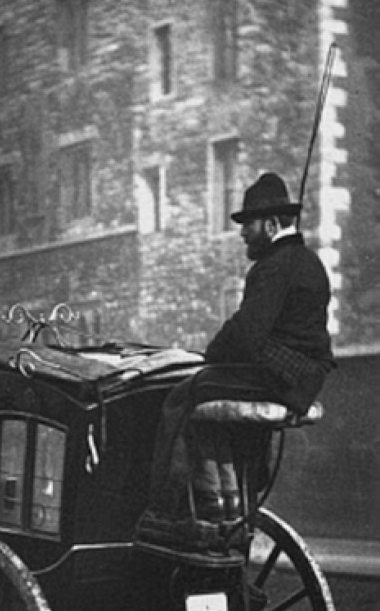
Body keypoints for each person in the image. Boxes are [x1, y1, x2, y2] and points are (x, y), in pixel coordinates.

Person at [137, 172, 334, 546]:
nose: (243, 233)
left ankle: (169, 511)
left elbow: (247, 333)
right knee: (209, 398)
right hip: (302, 377)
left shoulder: (274, 266)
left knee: (183, 395)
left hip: (278, 376)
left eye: (249, 225)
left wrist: (210, 357)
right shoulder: (309, 262)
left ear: (273, 225)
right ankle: (233, 499)